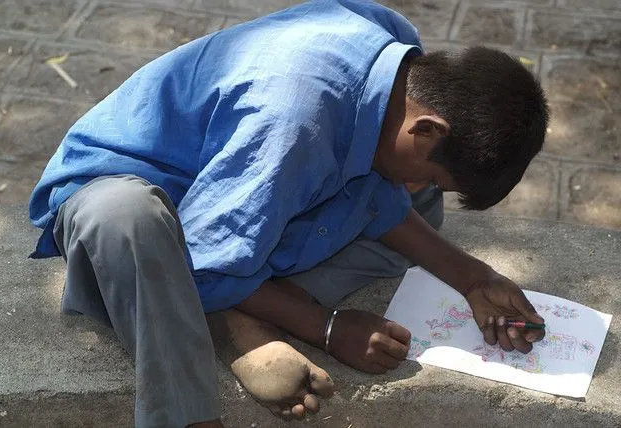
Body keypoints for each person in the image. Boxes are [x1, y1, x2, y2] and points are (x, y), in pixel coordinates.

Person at [28, 0, 549, 426]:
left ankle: (238, 300)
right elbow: (205, 255)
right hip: (129, 199)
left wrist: (475, 278)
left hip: (245, 184)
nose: (416, 183)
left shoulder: (396, 52)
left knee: (417, 205)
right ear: (428, 128)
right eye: (430, 169)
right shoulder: (292, 119)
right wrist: (326, 328)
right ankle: (222, 346)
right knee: (129, 221)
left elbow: (375, 192)